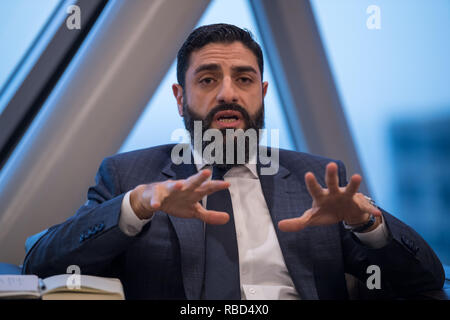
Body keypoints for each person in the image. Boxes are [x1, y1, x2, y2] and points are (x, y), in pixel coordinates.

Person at [23, 23, 444, 300]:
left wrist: (366, 224)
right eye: (208, 80)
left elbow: (425, 281)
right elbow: (41, 263)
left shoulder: (316, 180)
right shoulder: (130, 176)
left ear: (261, 92)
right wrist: (136, 205)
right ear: (179, 97)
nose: (228, 93)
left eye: (243, 79)